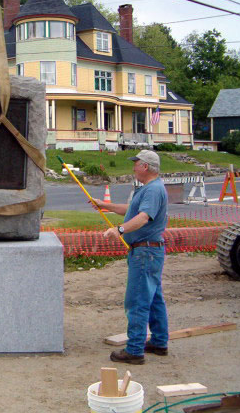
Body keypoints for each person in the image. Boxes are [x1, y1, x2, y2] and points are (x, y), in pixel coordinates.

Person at [92, 149, 168, 365]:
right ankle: (159, 342)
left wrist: (120, 230)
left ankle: (134, 350)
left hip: (145, 252)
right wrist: (104, 205)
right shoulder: (149, 189)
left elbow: (143, 218)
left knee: (137, 300)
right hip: (150, 251)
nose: (133, 167)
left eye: (136, 163)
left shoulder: (152, 190)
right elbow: (131, 210)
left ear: (145, 167)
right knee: (154, 298)